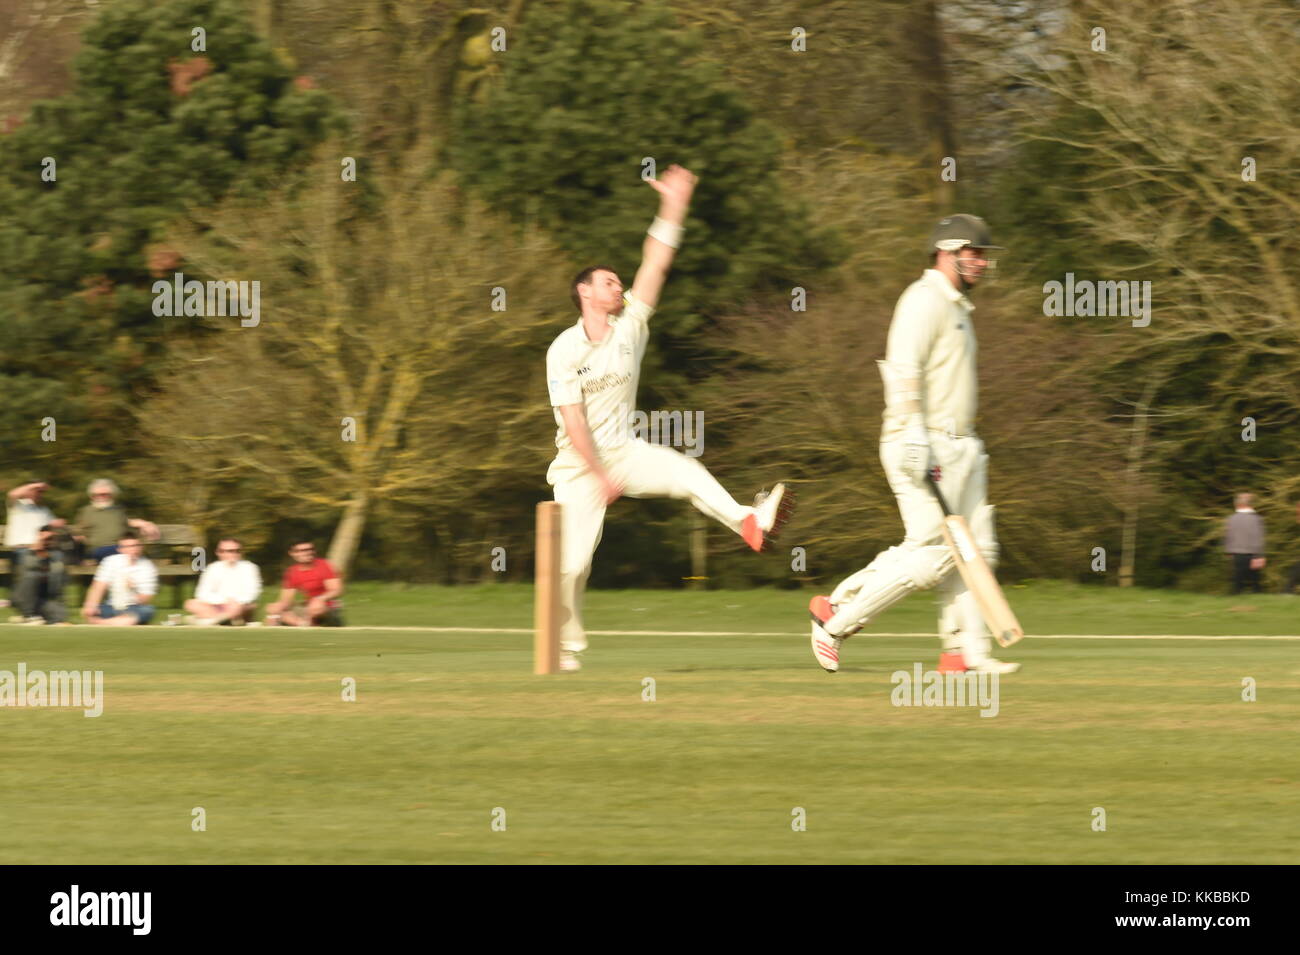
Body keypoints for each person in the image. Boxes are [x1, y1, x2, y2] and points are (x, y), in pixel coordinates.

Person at [545, 165, 794, 672]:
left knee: (687, 472)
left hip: (627, 453)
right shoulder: (563, 350)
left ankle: (749, 519)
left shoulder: (630, 324)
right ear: (585, 293)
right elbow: (572, 422)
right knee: (572, 564)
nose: (618, 287)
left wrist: (673, 205)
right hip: (579, 467)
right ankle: (563, 646)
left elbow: (655, 264)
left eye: (619, 281)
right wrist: (598, 477)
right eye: (607, 282)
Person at [808, 214, 1019, 675]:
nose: (982, 263)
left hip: (962, 444)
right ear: (948, 251)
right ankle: (836, 625)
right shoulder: (922, 299)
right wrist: (914, 434)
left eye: (984, 255)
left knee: (978, 551)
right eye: (975, 254)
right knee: (933, 554)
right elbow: (902, 367)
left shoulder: (958, 307)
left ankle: (963, 655)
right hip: (921, 442)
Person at [72, 478, 160, 563]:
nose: (101, 497)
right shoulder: (86, 511)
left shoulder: (119, 510)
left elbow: (128, 522)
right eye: (97, 495)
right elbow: (78, 532)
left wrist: (145, 524)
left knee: (132, 554)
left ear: (112, 495)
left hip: (121, 549)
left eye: (105, 494)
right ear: (92, 496)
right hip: (97, 550)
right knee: (128, 554)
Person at [82, 533, 158, 625]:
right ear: (120, 549)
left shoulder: (147, 567)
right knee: (90, 609)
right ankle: (120, 621)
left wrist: (133, 588)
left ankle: (101, 622)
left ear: (140, 547)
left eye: (135, 545)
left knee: (147, 610)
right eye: (127, 547)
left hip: (133, 607)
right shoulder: (110, 561)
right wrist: (91, 606)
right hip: (111, 606)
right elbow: (98, 587)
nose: (132, 549)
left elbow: (145, 600)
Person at [184, 537, 262, 625]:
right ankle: (222, 619)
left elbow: (253, 593)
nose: (234, 553)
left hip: (240, 606)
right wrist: (224, 601)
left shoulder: (250, 567)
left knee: (238, 608)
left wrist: (236, 602)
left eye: (237, 551)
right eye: (230, 551)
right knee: (191, 603)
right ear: (219, 553)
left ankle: (207, 619)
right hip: (217, 605)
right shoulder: (212, 568)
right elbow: (202, 593)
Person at [264, 541, 343, 626]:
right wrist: (278, 606)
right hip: (308, 608)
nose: (309, 552)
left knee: (317, 609)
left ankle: (306, 624)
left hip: (328, 608)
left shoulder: (324, 565)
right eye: (303, 550)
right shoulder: (292, 572)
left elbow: (336, 590)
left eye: (311, 549)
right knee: (274, 614)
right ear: (293, 553)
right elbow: (286, 600)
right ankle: (303, 624)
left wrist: (320, 599)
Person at [13, 525, 67, 624]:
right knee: (33, 576)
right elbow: (28, 568)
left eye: (51, 539)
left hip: (43, 599)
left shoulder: (57, 555)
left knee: (59, 615)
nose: (48, 541)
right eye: (46, 538)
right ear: (39, 536)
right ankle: (28, 614)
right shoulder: (27, 553)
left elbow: (58, 582)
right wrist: (36, 550)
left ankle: (29, 617)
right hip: (24, 597)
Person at [1224, 493, 1266, 595]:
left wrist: (1228, 551)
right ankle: (1257, 599)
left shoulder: (1231, 518)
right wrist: (1259, 555)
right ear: (1251, 504)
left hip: (1237, 553)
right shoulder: (1256, 519)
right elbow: (1258, 537)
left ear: (1237, 504)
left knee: (1238, 580)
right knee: (1255, 581)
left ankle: (1236, 598)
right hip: (1253, 554)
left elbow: (1229, 536)